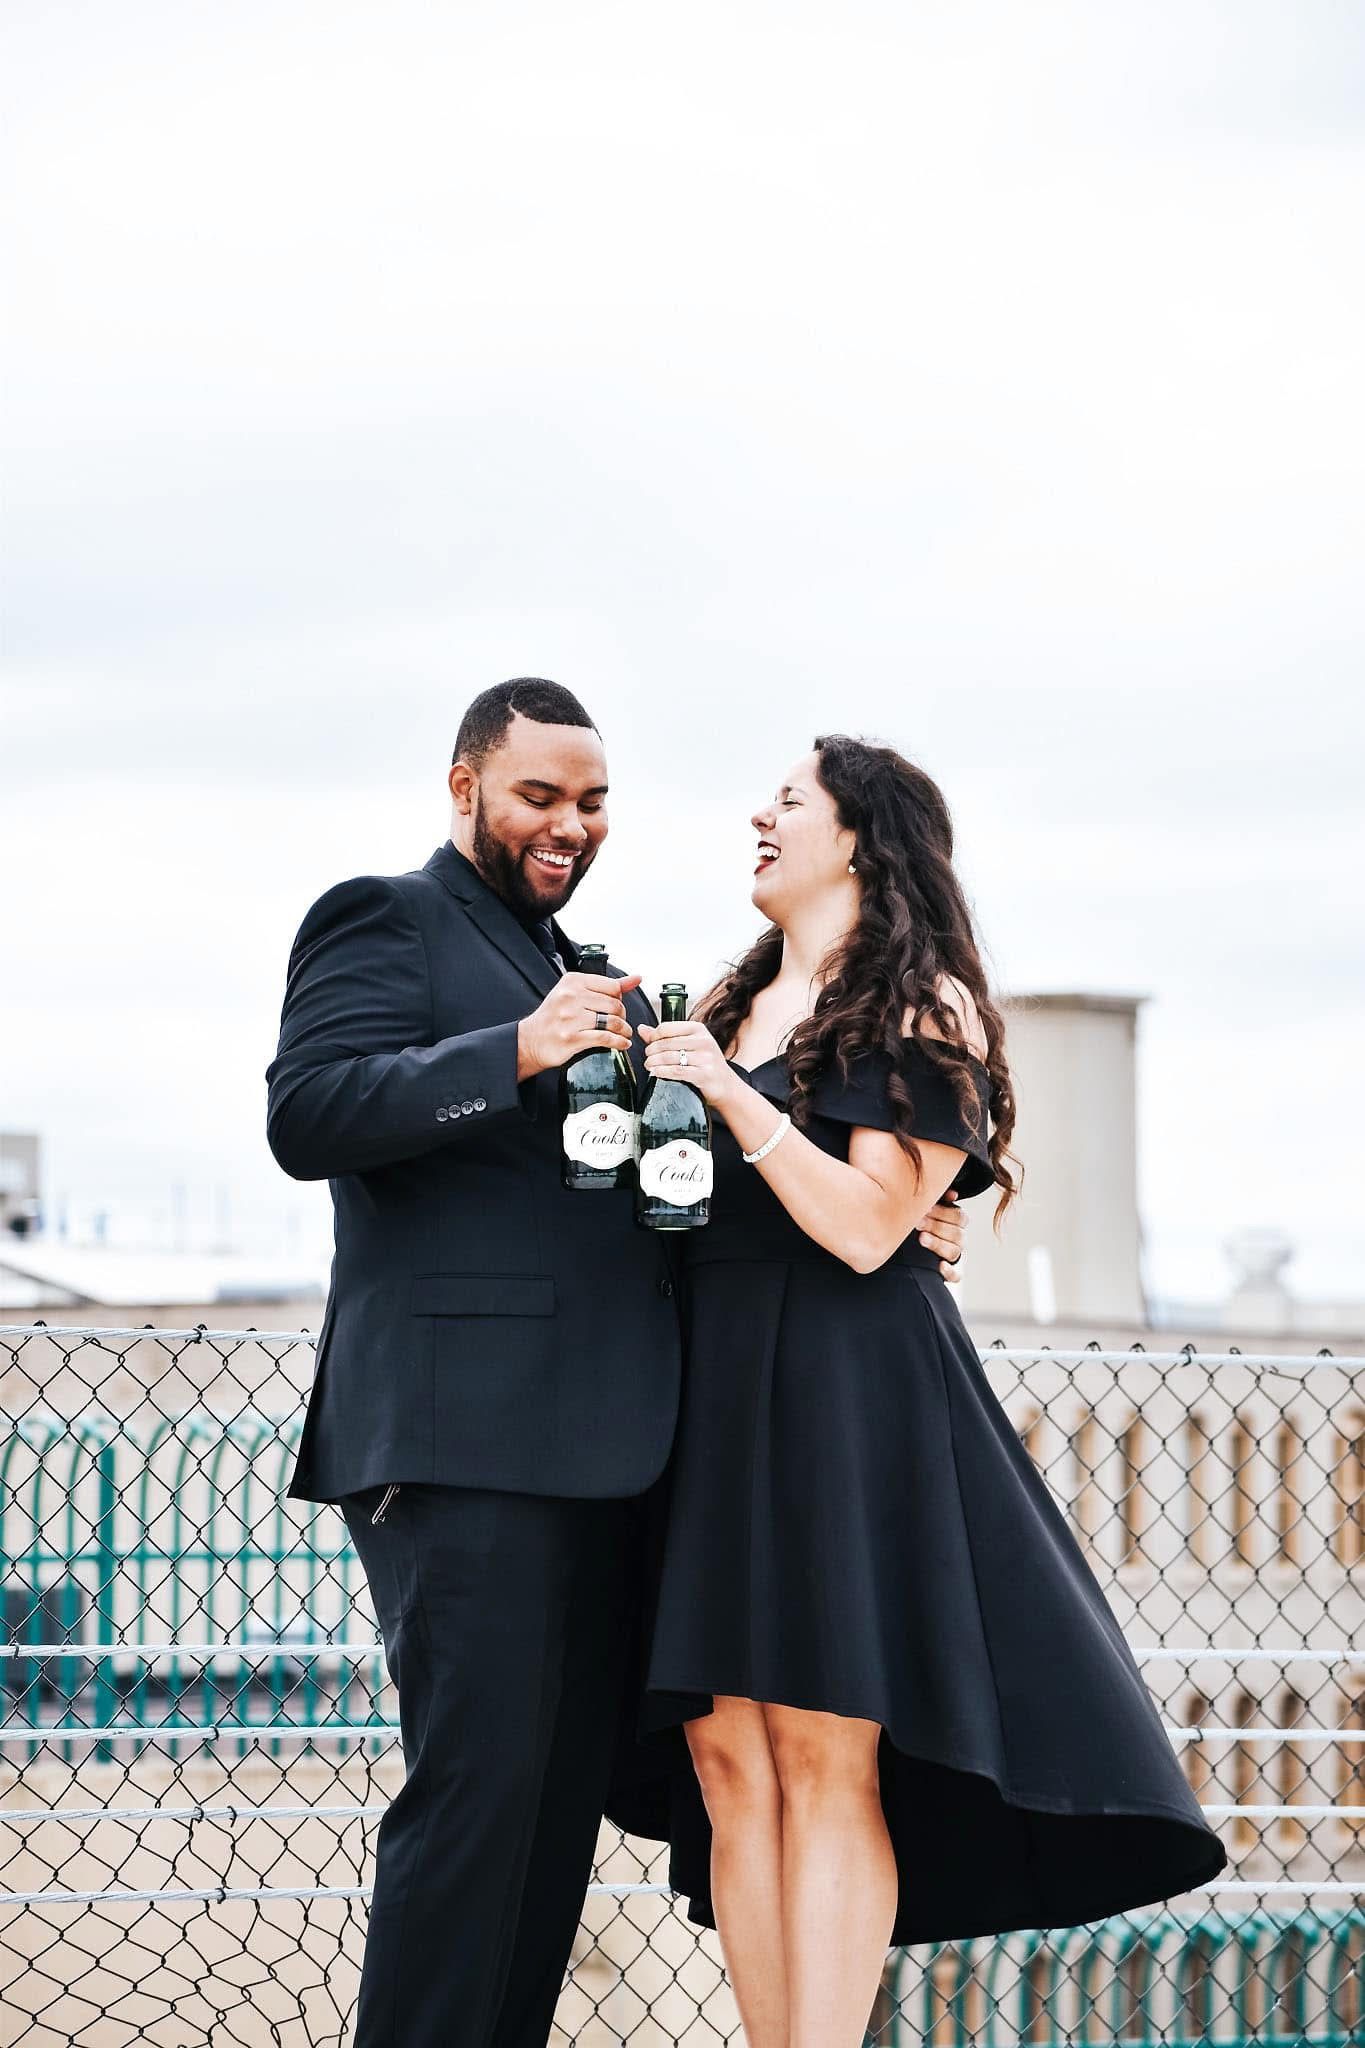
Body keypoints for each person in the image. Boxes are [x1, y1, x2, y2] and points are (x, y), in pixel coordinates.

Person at [264, 682, 971, 2048]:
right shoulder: (386, 919)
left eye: (592, 803)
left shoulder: (585, 966)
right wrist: (510, 1053)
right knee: (478, 1805)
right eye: (538, 795)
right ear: (462, 784)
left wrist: (902, 1204)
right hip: (460, 1444)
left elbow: (675, 1182)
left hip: (607, 1457)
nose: (568, 825)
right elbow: (309, 1112)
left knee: (542, 1822)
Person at [607, 734, 1227, 2048]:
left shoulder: (918, 1003)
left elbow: (863, 1231)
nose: (757, 819)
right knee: (730, 1759)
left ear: (856, 838)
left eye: (786, 802)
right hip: (710, 1403)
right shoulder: (719, 1005)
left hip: (845, 1401)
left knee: (828, 1755)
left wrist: (732, 1099)